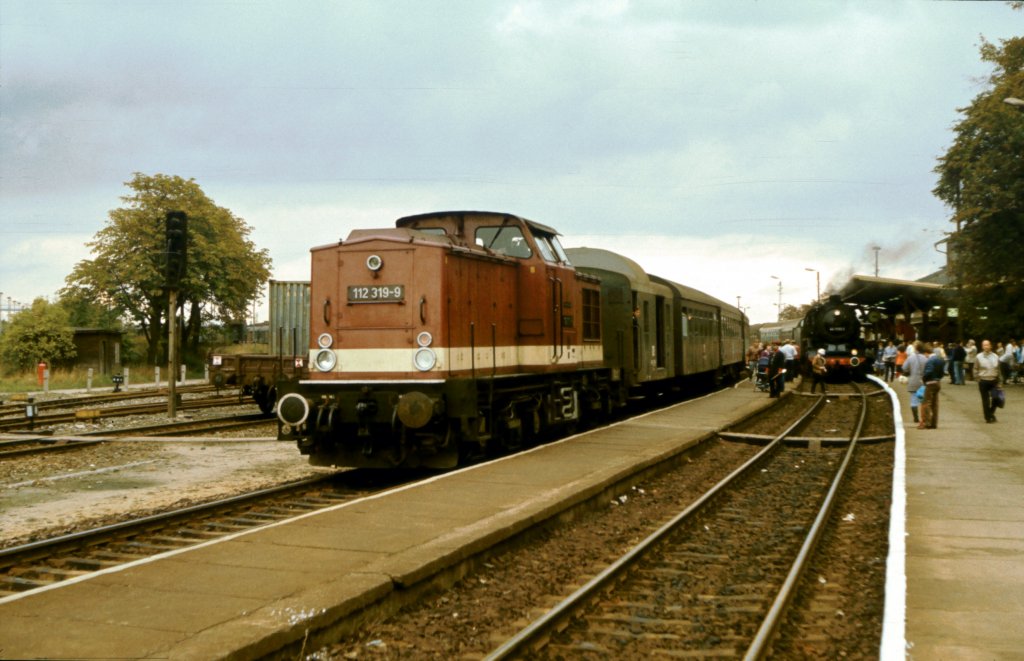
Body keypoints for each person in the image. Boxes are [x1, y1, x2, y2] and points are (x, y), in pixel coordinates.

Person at [901, 340, 928, 424]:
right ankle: (924, 417)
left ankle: (915, 418)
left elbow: (904, 368)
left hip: (913, 381)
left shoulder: (910, 358)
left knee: (913, 399)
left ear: (915, 348)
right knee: (923, 400)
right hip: (923, 382)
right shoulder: (925, 358)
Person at [920, 344, 945, 429]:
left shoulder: (930, 361)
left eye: (924, 355)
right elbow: (942, 372)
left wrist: (923, 378)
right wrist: (938, 378)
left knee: (927, 403)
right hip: (937, 382)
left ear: (926, 353)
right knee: (935, 404)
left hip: (930, 383)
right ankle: (934, 423)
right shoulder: (940, 359)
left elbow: (929, 371)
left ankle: (927, 423)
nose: (925, 356)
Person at [976, 339, 1001, 423]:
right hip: (983, 380)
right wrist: (978, 378)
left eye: (987, 345)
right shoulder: (978, 357)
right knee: (985, 400)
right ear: (982, 347)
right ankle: (988, 418)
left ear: (990, 346)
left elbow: (999, 370)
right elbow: (975, 368)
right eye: (984, 345)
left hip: (994, 380)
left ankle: (991, 413)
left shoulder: (995, 356)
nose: (986, 346)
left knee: (996, 398)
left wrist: (1000, 381)